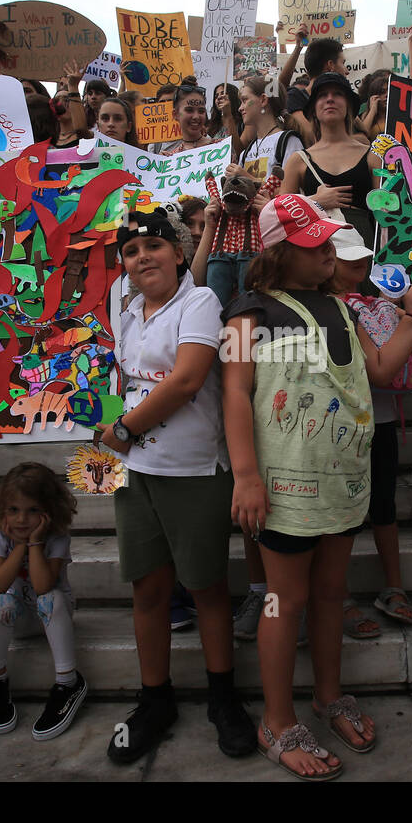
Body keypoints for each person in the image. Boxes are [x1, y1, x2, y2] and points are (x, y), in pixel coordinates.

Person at [223, 195, 412, 779]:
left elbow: (382, 370)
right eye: (315, 245)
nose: (328, 251)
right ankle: (277, 721)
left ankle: (327, 695)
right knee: (284, 599)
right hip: (282, 488)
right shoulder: (245, 312)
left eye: (327, 242)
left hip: (342, 482)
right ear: (280, 250)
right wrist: (245, 475)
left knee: (332, 593)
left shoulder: (345, 309)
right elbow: (235, 392)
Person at [98, 210, 255, 763]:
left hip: (191, 470)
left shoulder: (200, 302)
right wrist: (107, 437)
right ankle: (155, 699)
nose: (143, 257)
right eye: (132, 250)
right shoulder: (126, 311)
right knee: (148, 590)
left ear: (178, 252)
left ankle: (222, 698)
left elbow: (189, 379)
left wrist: (121, 429)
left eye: (153, 246)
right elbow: (120, 378)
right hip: (135, 472)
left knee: (207, 588)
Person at [331, 227, 412, 628]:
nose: (358, 264)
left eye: (362, 256)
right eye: (348, 258)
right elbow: (378, 369)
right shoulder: (322, 309)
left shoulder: (379, 303)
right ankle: (336, 595)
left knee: (384, 506)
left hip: (382, 419)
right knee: (341, 511)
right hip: (338, 424)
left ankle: (394, 586)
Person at [0, 462, 87, 740]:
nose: (21, 520)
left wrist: (34, 543)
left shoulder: (57, 538)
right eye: (13, 510)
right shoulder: (0, 538)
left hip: (52, 618)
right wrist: (18, 546)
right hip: (18, 620)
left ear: (48, 512)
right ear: (2, 510)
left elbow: (42, 586)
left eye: (32, 511)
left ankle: (68, 683)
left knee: (49, 599)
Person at [280, 73, 381, 248]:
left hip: (363, 251)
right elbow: (281, 217)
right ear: (313, 109)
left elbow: (389, 212)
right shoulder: (298, 160)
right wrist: (314, 202)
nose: (330, 99)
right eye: (322, 95)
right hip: (316, 253)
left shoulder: (373, 155)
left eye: (338, 94)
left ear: (349, 105)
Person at [159, 80, 213, 155]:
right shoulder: (171, 158)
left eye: (201, 111)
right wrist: (160, 163)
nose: (196, 117)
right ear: (175, 115)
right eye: (189, 110)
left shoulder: (222, 149)